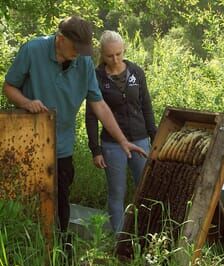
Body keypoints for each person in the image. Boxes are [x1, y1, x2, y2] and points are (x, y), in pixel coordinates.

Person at [2, 16, 146, 234]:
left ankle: (60, 252)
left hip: (62, 146)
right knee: (28, 199)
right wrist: (26, 102)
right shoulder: (32, 50)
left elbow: (99, 105)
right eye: (75, 48)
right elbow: (9, 87)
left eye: (82, 49)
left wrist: (122, 140)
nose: (78, 53)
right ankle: (28, 249)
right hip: (31, 141)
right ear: (60, 39)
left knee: (61, 204)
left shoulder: (84, 62)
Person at [85, 30, 156, 233]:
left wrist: (155, 137)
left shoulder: (136, 72)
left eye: (119, 53)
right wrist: (95, 150)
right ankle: (118, 240)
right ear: (101, 54)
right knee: (117, 192)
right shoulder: (96, 77)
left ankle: (148, 235)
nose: (115, 59)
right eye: (110, 55)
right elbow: (91, 116)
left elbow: (146, 107)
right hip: (112, 145)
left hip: (141, 141)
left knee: (146, 190)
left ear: (124, 50)